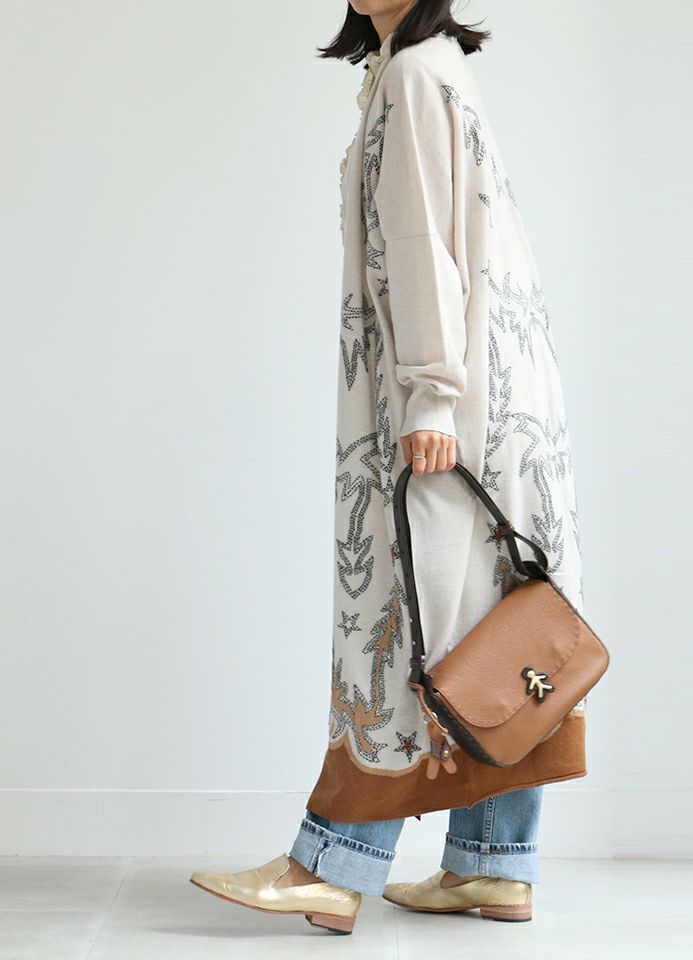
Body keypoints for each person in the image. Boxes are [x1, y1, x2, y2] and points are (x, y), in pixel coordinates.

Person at [190, 0, 588, 935]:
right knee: (487, 623)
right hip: (503, 391)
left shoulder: (413, 73)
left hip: (456, 397)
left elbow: (421, 245)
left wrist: (431, 395)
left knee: (411, 623)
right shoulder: (425, 66)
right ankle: (493, 865)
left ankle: (328, 865)